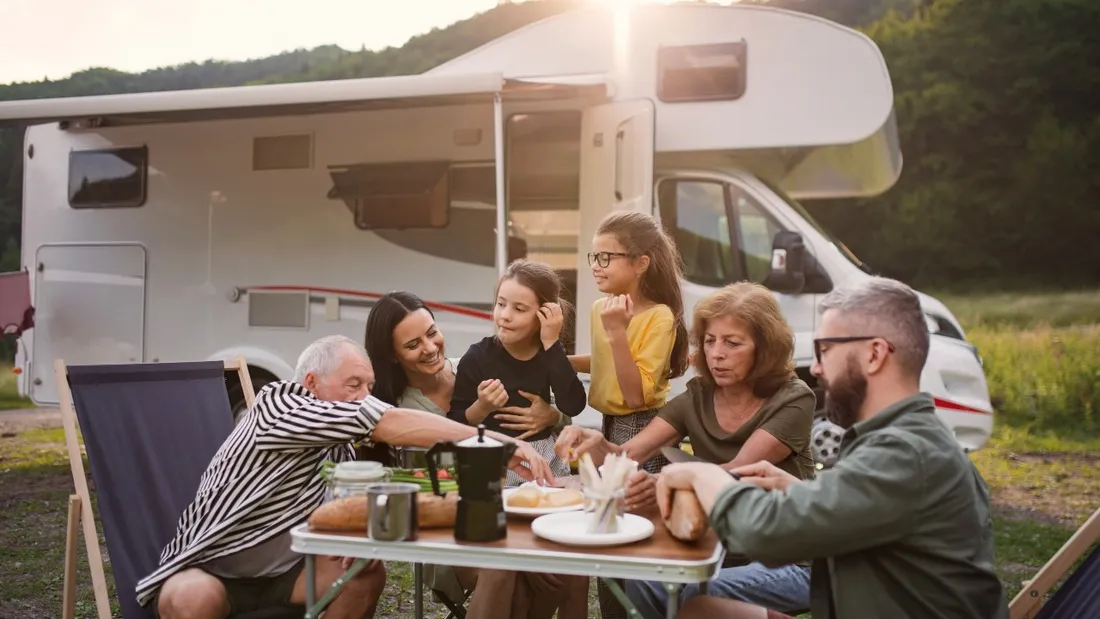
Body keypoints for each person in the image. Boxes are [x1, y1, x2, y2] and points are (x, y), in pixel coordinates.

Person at [655, 277, 1009, 619]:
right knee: (700, 610)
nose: (819, 368)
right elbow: (873, 516)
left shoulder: (905, 453)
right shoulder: (905, 438)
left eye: (826, 350)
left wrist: (703, 476)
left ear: (874, 354)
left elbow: (767, 533)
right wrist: (802, 493)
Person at [140, 335, 554, 619]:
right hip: (211, 569)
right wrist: (496, 443)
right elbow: (390, 422)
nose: (364, 396)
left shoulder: (335, 443)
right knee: (194, 596)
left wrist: (477, 476)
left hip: (287, 575)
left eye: (369, 386)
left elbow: (398, 481)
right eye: (353, 384)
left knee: (363, 575)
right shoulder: (278, 410)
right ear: (311, 384)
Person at [556, 282, 816, 617]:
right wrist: (593, 444)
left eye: (732, 343)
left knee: (680, 593)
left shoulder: (794, 399)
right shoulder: (698, 395)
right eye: (710, 341)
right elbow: (629, 454)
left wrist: (669, 480)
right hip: (716, 550)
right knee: (642, 578)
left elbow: (737, 472)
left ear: (765, 349)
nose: (716, 353)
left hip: (791, 559)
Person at [364, 293, 589, 619]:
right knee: (504, 565)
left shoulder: (472, 367)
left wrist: (551, 416)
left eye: (431, 332)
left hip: (509, 513)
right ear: (393, 356)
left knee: (567, 567)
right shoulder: (396, 409)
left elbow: (560, 420)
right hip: (447, 533)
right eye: (413, 345)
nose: (429, 348)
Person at [568, 210, 690, 474]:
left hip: (642, 425)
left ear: (640, 264)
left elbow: (635, 397)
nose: (595, 266)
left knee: (636, 503)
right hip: (608, 422)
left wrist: (616, 333)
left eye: (606, 258)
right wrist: (560, 362)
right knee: (611, 499)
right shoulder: (602, 307)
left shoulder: (659, 317)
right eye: (594, 257)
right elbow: (606, 364)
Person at [449, 259, 588, 485]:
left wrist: (552, 343)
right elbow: (455, 424)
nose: (505, 315)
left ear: (544, 314)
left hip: (546, 462)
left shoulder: (549, 354)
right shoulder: (477, 357)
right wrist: (481, 407)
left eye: (519, 309)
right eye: (501, 304)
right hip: (495, 465)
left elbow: (574, 405)